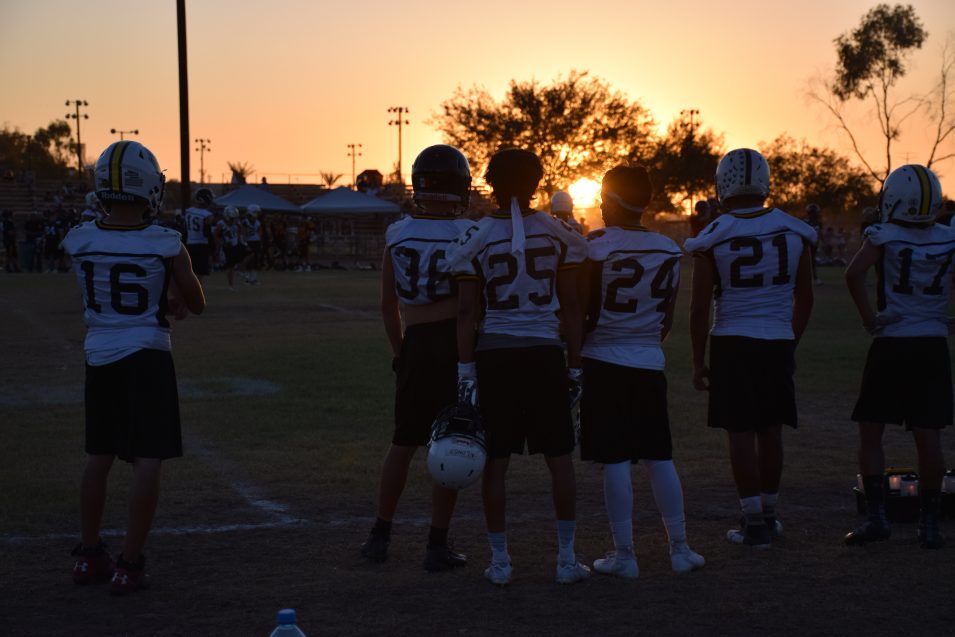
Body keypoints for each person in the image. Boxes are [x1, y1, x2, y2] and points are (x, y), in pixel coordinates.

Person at [61, 140, 205, 595]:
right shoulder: (166, 243)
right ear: (149, 188)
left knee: (98, 456)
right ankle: (130, 562)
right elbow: (196, 302)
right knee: (147, 460)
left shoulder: (79, 239)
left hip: (99, 354)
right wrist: (175, 293)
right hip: (147, 354)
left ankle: (88, 555)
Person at [448, 148, 590, 585]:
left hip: (496, 357)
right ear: (536, 182)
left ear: (491, 181)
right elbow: (571, 308)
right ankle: (566, 560)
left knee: (496, 460)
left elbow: (467, 314)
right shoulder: (559, 232)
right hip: (544, 354)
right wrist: (576, 366)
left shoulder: (476, 235)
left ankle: (500, 561)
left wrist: (466, 371)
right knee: (559, 458)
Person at [685, 148, 815, 548]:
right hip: (775, 339)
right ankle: (770, 516)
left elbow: (699, 306)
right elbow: (806, 297)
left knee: (740, 432)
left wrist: (697, 360)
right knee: (770, 429)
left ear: (723, 183)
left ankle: (753, 520)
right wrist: (788, 339)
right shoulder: (795, 230)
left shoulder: (714, 234)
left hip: (732, 340)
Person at [579, 166, 705, 578]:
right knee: (658, 455)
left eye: (604, 195)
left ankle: (625, 554)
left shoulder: (594, 246)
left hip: (604, 360)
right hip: (649, 360)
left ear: (615, 200)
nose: (599, 202)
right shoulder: (668, 248)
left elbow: (582, 310)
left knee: (614, 458)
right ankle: (680, 549)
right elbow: (667, 318)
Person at [361, 144, 475, 572]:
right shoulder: (468, 233)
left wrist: (400, 353)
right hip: (453, 344)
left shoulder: (399, 232)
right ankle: (436, 543)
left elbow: (388, 306)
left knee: (403, 443)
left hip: (415, 343)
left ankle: (379, 534)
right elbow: (469, 308)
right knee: (451, 442)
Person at [843, 164, 953, 550]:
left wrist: (870, 320)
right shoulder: (948, 236)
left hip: (892, 342)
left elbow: (853, 274)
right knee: (929, 436)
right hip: (932, 345)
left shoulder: (883, 235)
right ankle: (929, 526)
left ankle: (877, 519)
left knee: (871, 430)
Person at [184, 188, 215, 280]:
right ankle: (195, 292)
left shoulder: (188, 211)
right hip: (202, 245)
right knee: (200, 272)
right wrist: (212, 246)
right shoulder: (207, 214)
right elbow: (207, 233)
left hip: (189, 243)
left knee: (191, 270)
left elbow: (185, 229)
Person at [215, 206, 247, 289]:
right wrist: (221, 243)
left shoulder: (236, 223)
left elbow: (241, 232)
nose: (233, 220)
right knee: (231, 266)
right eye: (232, 218)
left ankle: (241, 272)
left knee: (248, 254)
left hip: (236, 244)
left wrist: (241, 239)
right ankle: (231, 284)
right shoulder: (221, 224)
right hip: (228, 246)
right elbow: (215, 236)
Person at [804, 203, 823, 284]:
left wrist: (823, 242)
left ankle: (814, 278)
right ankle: (813, 278)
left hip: (814, 245)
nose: (818, 214)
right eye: (816, 212)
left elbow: (820, 233)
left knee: (812, 261)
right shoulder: (804, 222)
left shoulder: (818, 223)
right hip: (805, 245)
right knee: (808, 262)